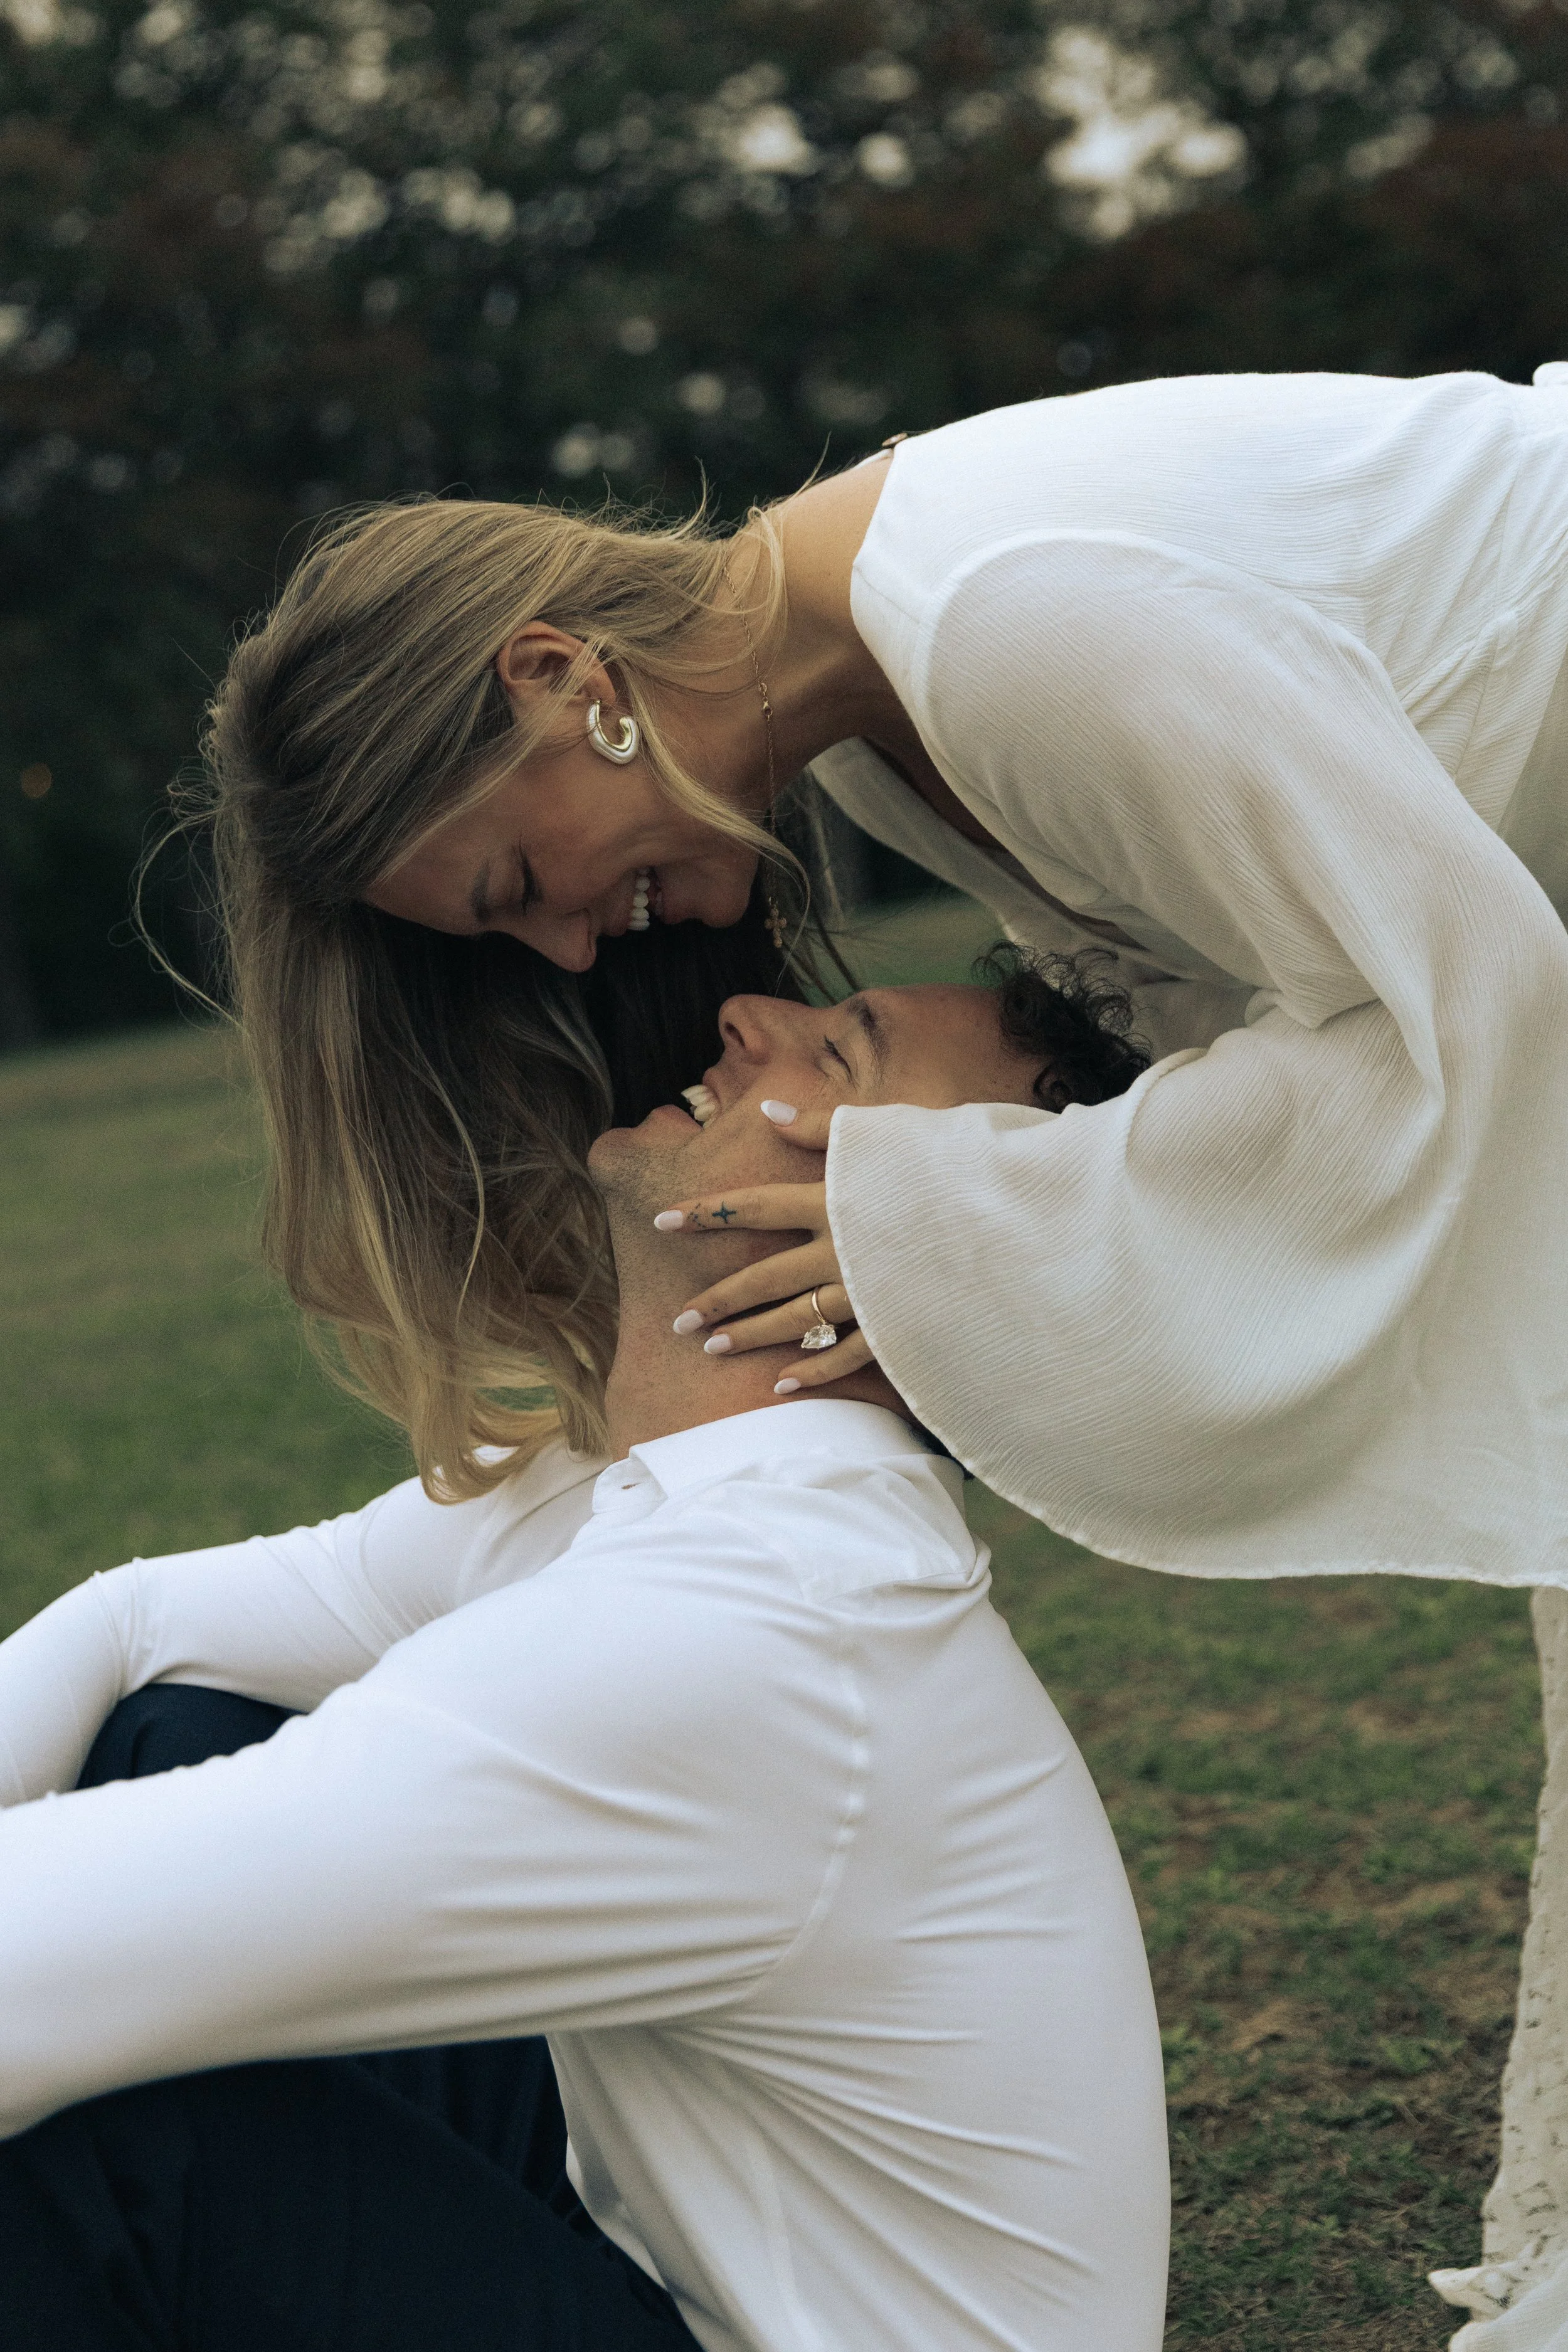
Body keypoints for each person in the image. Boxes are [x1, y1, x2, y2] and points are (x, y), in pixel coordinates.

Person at [192, 363, 1568, 2328]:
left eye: (517, 884)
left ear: (551, 670)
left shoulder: (1010, 621)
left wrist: (923, 1210)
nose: (574, 951)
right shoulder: (860, 735)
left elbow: (1469, 1007)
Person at [0, 961, 1168, 2352]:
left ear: (913, 1242)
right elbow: (140, 1622)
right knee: (169, 1734)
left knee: (128, 2139)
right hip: (653, 2257)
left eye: (837, 1056)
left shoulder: (761, 1625)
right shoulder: (639, 1502)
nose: (745, 1017)